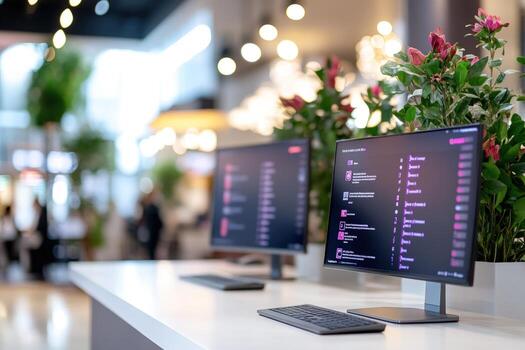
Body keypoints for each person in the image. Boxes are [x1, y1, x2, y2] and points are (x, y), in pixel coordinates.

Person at [29, 199, 54, 280]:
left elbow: (41, 228)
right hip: (39, 238)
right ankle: (34, 269)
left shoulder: (43, 214)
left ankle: (37, 270)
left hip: (42, 239)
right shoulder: (38, 214)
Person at [141, 191, 164, 260]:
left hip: (151, 231)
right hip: (153, 231)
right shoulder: (153, 208)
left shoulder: (148, 208)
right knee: (152, 250)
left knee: (151, 250)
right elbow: (159, 221)